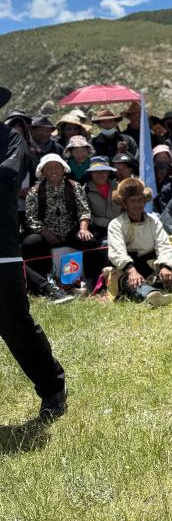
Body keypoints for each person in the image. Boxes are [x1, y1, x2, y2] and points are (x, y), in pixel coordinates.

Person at [0, 87, 67, 422]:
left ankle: (53, 386)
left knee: (15, 325)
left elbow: (8, 177)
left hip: (1, 249)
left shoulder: (11, 139)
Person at [22, 153, 100, 297]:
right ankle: (42, 286)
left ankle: (95, 283)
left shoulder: (75, 186)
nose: (53, 171)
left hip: (71, 231)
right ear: (43, 172)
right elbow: (31, 219)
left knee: (89, 240)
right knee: (30, 243)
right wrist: (46, 234)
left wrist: (83, 229)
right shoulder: (34, 191)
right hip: (46, 234)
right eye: (49, 168)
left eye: (57, 167)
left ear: (63, 169)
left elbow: (84, 211)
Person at [104, 178, 172, 306]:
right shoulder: (116, 224)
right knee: (133, 283)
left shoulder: (153, 221)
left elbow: (164, 245)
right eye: (132, 201)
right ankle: (151, 295)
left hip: (150, 266)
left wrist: (165, 267)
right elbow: (117, 252)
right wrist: (131, 271)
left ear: (145, 201)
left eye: (140, 200)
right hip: (126, 269)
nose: (137, 204)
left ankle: (154, 290)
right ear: (124, 204)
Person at [84, 156, 121, 241]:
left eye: (103, 171)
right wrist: (107, 223)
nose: (100, 174)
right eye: (96, 172)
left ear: (108, 172)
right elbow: (86, 215)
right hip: (99, 231)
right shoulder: (85, 190)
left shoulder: (119, 187)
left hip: (121, 227)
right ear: (91, 173)